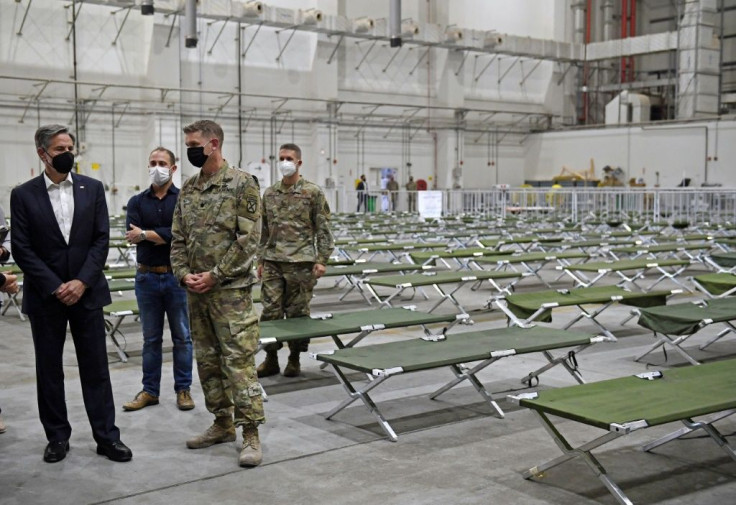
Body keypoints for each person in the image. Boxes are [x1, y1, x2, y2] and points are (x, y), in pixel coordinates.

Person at [10, 124, 132, 463]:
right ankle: (57, 438)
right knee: (49, 370)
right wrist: (55, 285)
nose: (67, 153)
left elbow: (101, 239)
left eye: (70, 147)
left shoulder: (91, 188)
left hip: (87, 292)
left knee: (95, 368)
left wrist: (81, 281)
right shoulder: (23, 194)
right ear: (42, 153)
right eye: (60, 149)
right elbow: (22, 247)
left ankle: (107, 437)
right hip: (46, 296)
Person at [170, 119, 264, 468]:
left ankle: (250, 433)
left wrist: (216, 274)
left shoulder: (243, 185)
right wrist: (183, 276)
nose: (190, 150)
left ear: (213, 144)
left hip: (231, 294)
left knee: (238, 363)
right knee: (208, 362)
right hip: (197, 294)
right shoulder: (189, 189)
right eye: (188, 144)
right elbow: (177, 239)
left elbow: (248, 241)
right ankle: (222, 423)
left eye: (194, 143)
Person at [122, 147, 194, 412]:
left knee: (182, 337)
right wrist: (158, 235)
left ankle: (183, 389)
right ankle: (150, 391)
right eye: (152, 162)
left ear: (173, 168)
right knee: (150, 339)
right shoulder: (137, 202)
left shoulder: (184, 199)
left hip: (176, 277)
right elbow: (131, 235)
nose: (157, 167)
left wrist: (146, 234)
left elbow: (183, 234)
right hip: (147, 278)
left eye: (162, 163)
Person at [256, 143, 334, 379]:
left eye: (289, 158)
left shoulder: (312, 192)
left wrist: (322, 259)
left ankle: (294, 358)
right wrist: (259, 259)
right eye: (281, 158)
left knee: (298, 314)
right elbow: (264, 229)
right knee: (270, 311)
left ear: (299, 162)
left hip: (301, 262)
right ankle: (271, 359)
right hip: (272, 262)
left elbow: (323, 227)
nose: (284, 162)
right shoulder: (269, 193)